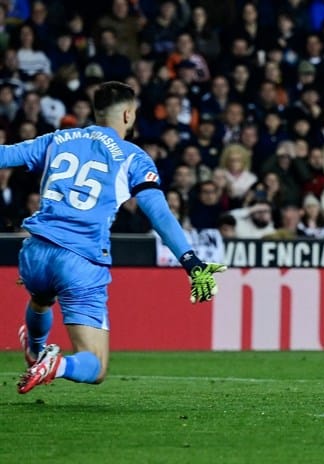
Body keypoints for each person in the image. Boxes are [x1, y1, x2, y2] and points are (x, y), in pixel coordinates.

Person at [0, 82, 226, 395]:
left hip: (34, 252)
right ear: (128, 114)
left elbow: (4, 155)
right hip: (80, 259)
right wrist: (191, 261)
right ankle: (57, 364)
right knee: (96, 365)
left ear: (96, 112)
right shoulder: (133, 158)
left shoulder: (58, 139)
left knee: (41, 298)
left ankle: (35, 350)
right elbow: (158, 214)